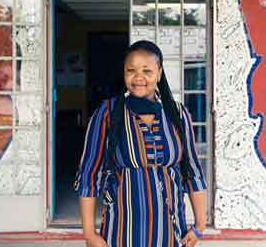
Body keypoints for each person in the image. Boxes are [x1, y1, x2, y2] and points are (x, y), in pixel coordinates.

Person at [74, 40, 207, 247]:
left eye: (147, 70)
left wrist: (200, 224)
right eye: (131, 70)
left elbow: (193, 172)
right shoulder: (108, 113)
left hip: (171, 232)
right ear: (124, 73)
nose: (139, 77)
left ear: (160, 73)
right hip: (121, 232)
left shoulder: (178, 114)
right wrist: (89, 234)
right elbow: (89, 175)